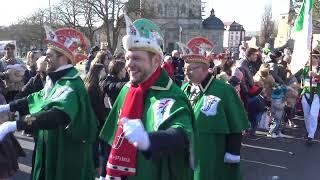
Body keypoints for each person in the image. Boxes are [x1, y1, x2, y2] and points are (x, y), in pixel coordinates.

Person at [99, 16, 193, 180]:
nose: (128, 64)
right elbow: (113, 139)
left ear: (156, 60)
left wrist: (148, 140)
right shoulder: (127, 89)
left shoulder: (172, 94)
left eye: (136, 58)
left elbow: (181, 134)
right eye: (127, 58)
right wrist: (106, 174)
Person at [0, 27, 98, 180]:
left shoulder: (70, 85)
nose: (46, 59)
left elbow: (55, 116)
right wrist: (6, 107)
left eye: (49, 55)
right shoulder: (56, 80)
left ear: (63, 58)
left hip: (64, 152)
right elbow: (35, 98)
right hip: (50, 146)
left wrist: (16, 124)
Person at [181, 37, 250, 180]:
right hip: (186, 152)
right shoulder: (184, 88)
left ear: (205, 69)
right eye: (185, 69)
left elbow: (236, 123)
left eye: (190, 69)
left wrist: (233, 152)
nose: (186, 73)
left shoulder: (224, 90)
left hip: (213, 154)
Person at [300, 50, 320, 145]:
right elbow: (303, 82)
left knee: (313, 114)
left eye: (314, 57)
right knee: (306, 114)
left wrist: (316, 76)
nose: (312, 59)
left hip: (317, 94)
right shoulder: (306, 69)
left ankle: (311, 135)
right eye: (310, 57)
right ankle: (309, 131)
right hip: (307, 93)